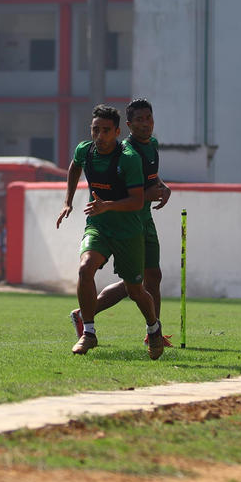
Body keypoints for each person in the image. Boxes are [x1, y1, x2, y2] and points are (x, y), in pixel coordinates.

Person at [56, 104, 165, 360]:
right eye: (95, 130)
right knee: (85, 268)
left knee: (136, 289)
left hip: (128, 229)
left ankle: (154, 328)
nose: (100, 136)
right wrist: (68, 201)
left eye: (106, 131)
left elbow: (137, 202)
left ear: (117, 132)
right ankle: (89, 333)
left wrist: (109, 205)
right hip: (99, 226)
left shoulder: (129, 158)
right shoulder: (86, 150)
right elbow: (74, 166)